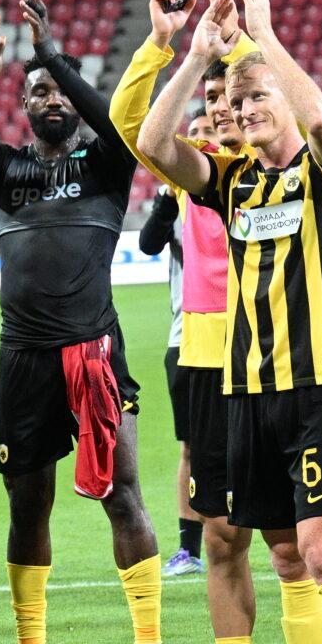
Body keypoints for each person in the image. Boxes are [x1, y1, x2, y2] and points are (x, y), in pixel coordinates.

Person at [138, 0, 322, 644]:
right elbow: (152, 144)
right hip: (247, 391)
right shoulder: (233, 181)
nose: (243, 112)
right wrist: (197, 57)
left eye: (257, 98)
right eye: (235, 104)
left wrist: (263, 37)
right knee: (284, 556)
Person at [0, 0, 174, 644]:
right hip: (22, 360)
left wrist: (48, 55)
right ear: (23, 106)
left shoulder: (107, 165)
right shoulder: (1, 169)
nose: (51, 99)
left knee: (123, 494)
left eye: (59, 90)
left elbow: (115, 121)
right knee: (26, 504)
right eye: (37, 90)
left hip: (95, 354)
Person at [112, 0, 267, 644]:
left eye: (238, 101)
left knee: (297, 538)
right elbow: (128, 123)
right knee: (221, 531)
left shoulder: (286, 161)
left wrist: (250, 39)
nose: (225, 111)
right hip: (205, 352)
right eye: (216, 102)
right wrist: (166, 45)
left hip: (283, 350)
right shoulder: (198, 174)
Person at [136, 179, 204, 580]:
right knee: (191, 448)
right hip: (185, 340)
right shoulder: (176, 199)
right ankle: (189, 548)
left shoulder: (240, 188)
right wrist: (167, 196)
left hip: (241, 335)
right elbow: (148, 243)